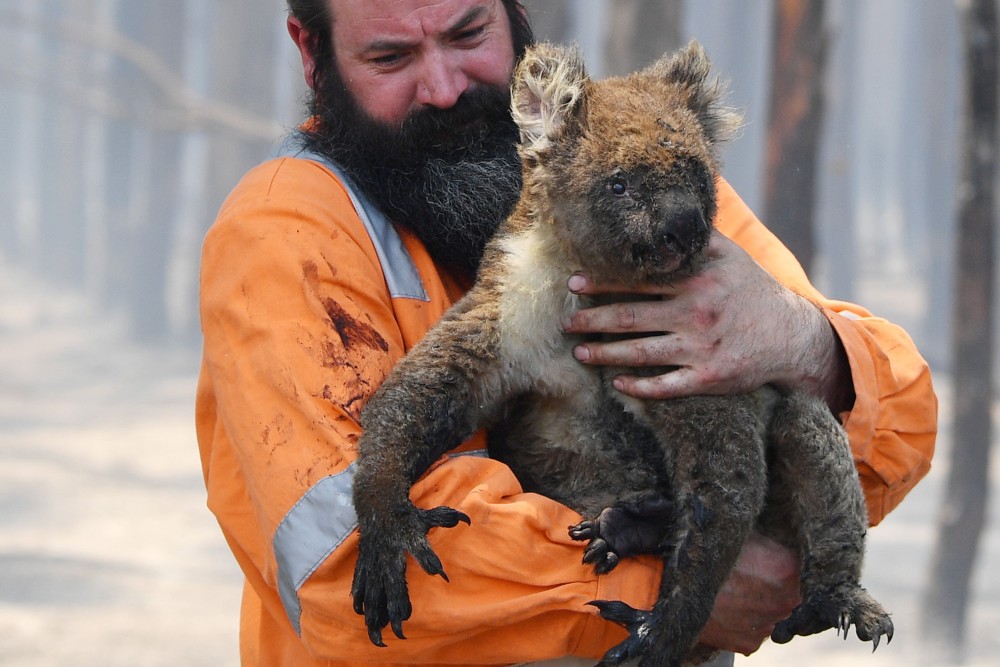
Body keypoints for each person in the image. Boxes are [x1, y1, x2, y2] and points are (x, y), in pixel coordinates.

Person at [194, 1, 937, 666]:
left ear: (517, 18)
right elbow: (337, 567)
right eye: (390, 57)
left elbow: (899, 430)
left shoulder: (639, 152)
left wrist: (800, 341)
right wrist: (661, 590)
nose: (444, 87)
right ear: (312, 52)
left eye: (468, 34)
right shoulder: (286, 228)